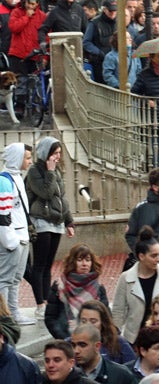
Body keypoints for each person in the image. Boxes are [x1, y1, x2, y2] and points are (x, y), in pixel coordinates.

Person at [25, 136, 73, 320]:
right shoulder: (34, 171)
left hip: (56, 222)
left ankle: (45, 299)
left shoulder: (56, 172)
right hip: (41, 222)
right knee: (39, 265)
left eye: (59, 153)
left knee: (48, 266)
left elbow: (61, 197)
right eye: (54, 153)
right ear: (46, 154)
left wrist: (69, 221)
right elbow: (45, 192)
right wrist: (51, 172)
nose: (57, 157)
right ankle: (40, 304)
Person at [112, 229, 159, 343]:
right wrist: (116, 339)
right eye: (154, 256)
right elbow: (118, 312)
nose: (158, 259)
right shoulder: (125, 278)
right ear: (141, 256)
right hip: (133, 340)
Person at [70, 323, 140, 384]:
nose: (76, 351)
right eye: (73, 345)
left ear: (97, 346)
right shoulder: (68, 376)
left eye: (82, 345)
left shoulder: (121, 375)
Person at [44, 243, 109, 339]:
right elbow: (50, 318)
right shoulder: (60, 286)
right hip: (67, 340)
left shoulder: (98, 287)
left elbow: (106, 317)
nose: (84, 264)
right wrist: (66, 339)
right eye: (79, 260)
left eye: (88, 260)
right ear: (72, 262)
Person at [0, 143, 32, 325]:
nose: (29, 161)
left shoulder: (17, 177)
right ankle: (5, 317)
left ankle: (13, 313)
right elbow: (3, 216)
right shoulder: (4, 181)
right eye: (26, 158)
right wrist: (10, 241)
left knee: (15, 279)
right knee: (5, 280)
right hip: (13, 239)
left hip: (21, 237)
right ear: (16, 158)